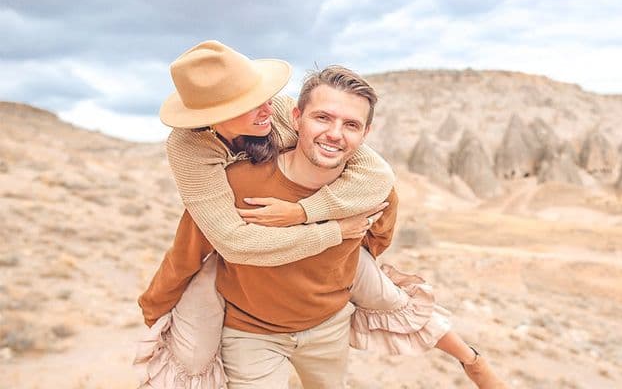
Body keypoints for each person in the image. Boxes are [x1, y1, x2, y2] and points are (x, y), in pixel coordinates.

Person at [135, 40, 506, 388]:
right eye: (250, 105)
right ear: (214, 117)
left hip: (327, 324)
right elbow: (206, 245)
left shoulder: (310, 138)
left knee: (391, 297)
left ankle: (471, 359)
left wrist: (308, 219)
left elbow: (375, 222)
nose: (267, 107)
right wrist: (155, 306)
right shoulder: (210, 167)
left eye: (351, 125)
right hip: (250, 331)